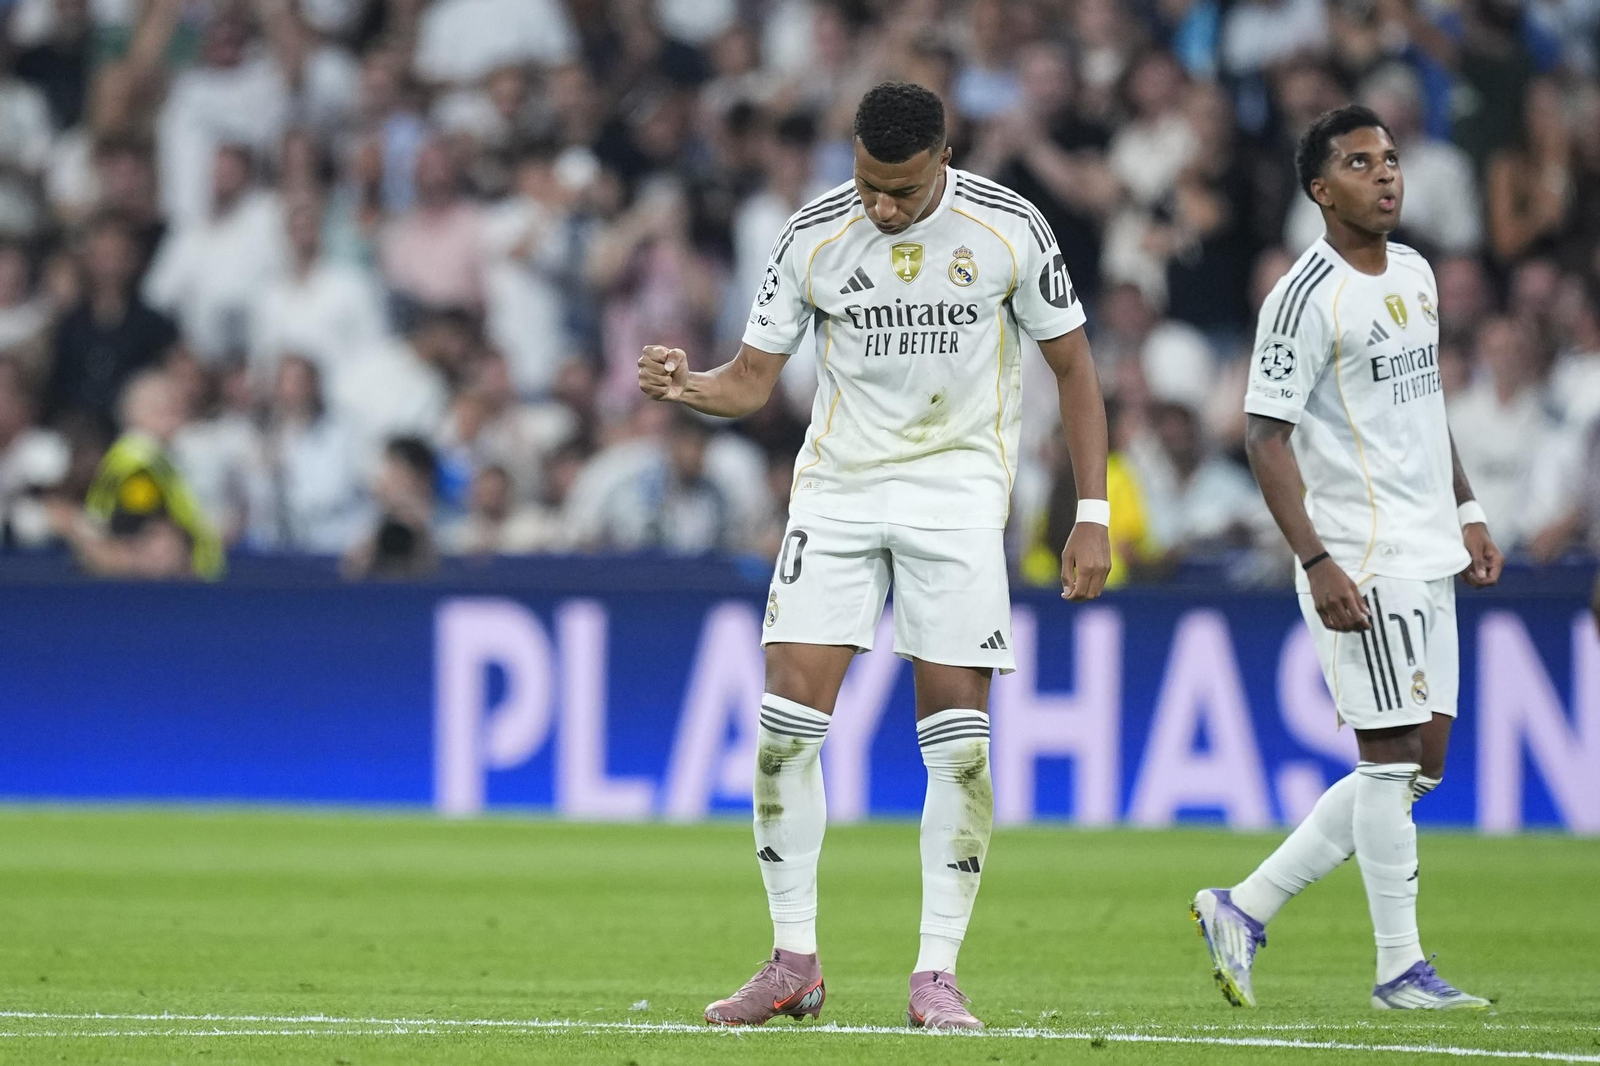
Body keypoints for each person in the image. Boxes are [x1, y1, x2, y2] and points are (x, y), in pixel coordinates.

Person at [637, 82, 1110, 1031]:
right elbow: (753, 380)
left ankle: (935, 974)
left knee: (960, 746)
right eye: (867, 185)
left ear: (944, 156)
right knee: (781, 733)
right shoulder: (814, 230)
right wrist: (690, 386)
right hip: (839, 493)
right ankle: (792, 962)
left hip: (960, 493)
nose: (881, 207)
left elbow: (1076, 371)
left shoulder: (1011, 227)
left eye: (899, 190)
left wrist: (1090, 511)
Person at [1192, 106, 1504, 1011]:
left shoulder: (1414, 270)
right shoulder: (1301, 296)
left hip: (1430, 544)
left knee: (1424, 763)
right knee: (1389, 756)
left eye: (1392, 159)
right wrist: (1318, 559)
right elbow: (1263, 438)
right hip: (1361, 553)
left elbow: (1425, 407)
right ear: (1321, 191)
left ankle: (1242, 908)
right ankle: (1399, 968)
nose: (1387, 175)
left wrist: (1469, 507)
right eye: (1362, 163)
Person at [49, 369, 223, 579]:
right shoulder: (138, 463)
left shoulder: (160, 459)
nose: (178, 412)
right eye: (164, 406)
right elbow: (146, 537)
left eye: (177, 405)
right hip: (153, 590)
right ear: (134, 413)